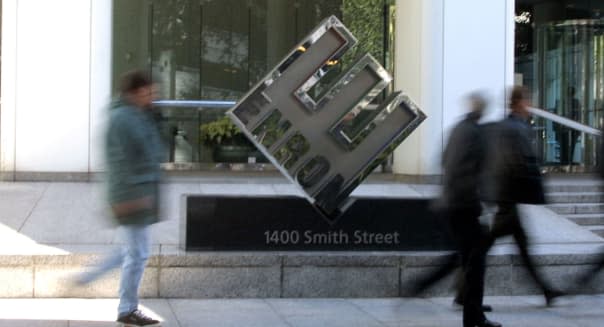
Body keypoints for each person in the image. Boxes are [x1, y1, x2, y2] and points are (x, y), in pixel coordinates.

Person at [77, 70, 162, 326]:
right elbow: (118, 163)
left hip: (139, 195)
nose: (153, 97)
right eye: (149, 92)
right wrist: (130, 198)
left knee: (133, 251)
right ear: (136, 92)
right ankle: (127, 309)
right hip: (131, 197)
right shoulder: (122, 119)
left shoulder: (138, 115)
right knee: (137, 254)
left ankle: (88, 277)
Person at [411, 92, 500, 327]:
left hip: (454, 203)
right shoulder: (474, 133)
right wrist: (483, 201)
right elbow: (474, 172)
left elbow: (445, 161)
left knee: (466, 258)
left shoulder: (459, 128)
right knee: (474, 262)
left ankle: (469, 312)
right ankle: (472, 317)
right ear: (482, 110)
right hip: (464, 205)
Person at [484, 86, 563, 307]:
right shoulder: (514, 128)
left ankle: (546, 290)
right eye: (528, 102)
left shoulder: (510, 126)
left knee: (519, 246)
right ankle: (459, 289)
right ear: (519, 103)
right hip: (508, 198)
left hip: (507, 198)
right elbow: (518, 162)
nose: (531, 107)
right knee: (483, 246)